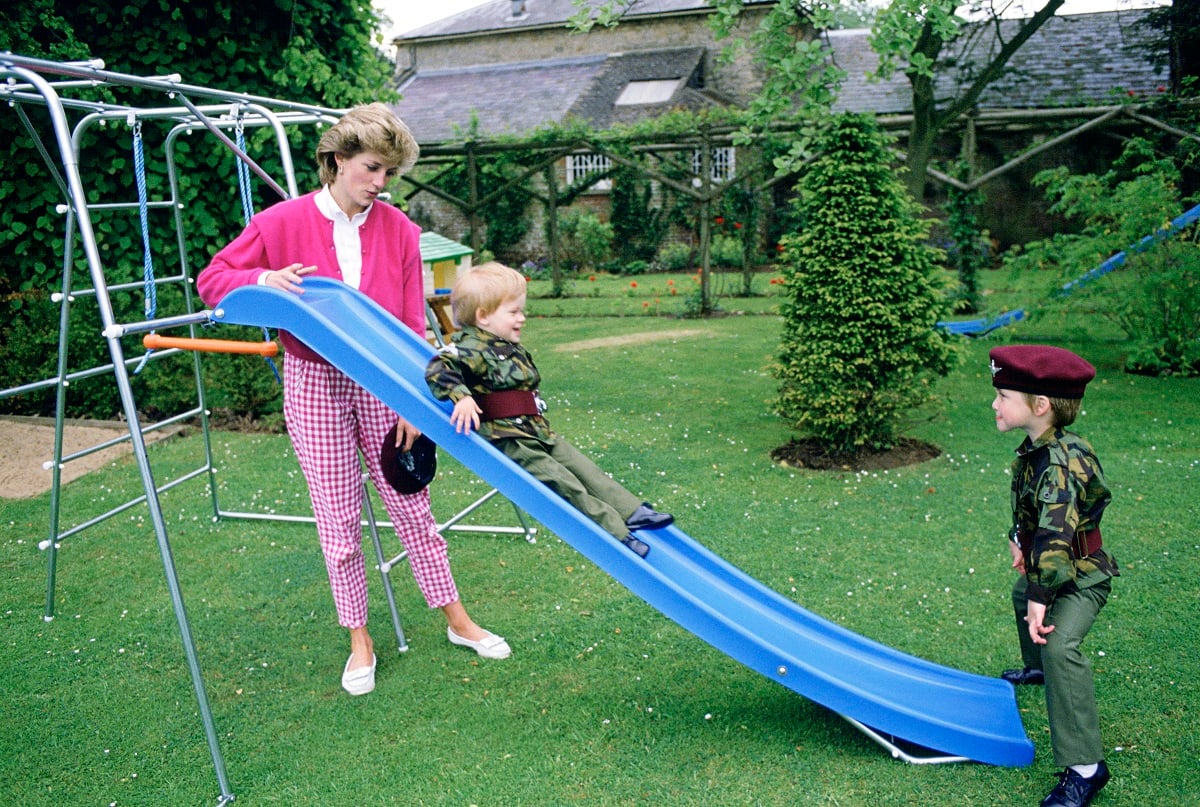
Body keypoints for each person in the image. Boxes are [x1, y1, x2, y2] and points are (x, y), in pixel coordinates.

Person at [197, 103, 509, 698]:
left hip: (385, 379)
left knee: (411, 504)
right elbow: (213, 281)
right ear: (336, 161)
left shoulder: (402, 232)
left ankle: (457, 620)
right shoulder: (279, 222)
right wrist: (262, 279)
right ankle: (359, 638)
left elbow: (412, 325)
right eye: (371, 168)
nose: (380, 184)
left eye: (389, 173)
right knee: (338, 519)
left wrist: (412, 401)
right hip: (313, 381)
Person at [424, 262, 672, 558]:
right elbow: (439, 366)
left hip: (536, 431)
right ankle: (616, 533)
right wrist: (462, 397)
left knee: (585, 469)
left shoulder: (503, 344)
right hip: (510, 439)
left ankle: (632, 512)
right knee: (564, 482)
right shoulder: (471, 347)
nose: (522, 318)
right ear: (483, 317)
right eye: (514, 312)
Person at [988, 344, 1119, 807]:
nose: (995, 404)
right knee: (1022, 594)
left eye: (1003, 395)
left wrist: (1045, 592)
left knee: (1060, 643)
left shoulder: (1060, 465)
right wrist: (1017, 539)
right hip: (1054, 559)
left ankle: (1087, 768)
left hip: (1083, 575)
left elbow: (1059, 537)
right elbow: (1034, 513)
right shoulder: (1039, 448)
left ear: (1039, 406)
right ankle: (1038, 669)